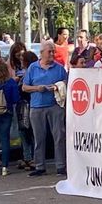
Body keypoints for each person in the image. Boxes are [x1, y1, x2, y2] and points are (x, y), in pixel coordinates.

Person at [22, 40, 68, 177]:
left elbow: (66, 82)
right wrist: (37, 88)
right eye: (50, 52)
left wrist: (57, 86)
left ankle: (60, 166)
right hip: (37, 107)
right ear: (41, 53)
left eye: (54, 51)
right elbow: (25, 87)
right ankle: (40, 166)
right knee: (39, 138)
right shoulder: (32, 68)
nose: (52, 54)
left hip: (55, 106)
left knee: (59, 137)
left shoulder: (59, 68)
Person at [16, 51, 38, 169]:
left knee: (27, 132)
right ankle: (29, 158)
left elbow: (23, 90)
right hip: (27, 105)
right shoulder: (30, 72)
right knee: (27, 132)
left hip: (28, 105)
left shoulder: (28, 74)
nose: (20, 61)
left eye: (22, 59)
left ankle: (31, 158)